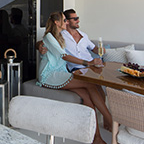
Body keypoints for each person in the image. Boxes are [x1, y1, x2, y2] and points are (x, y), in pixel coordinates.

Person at [38, 11, 111, 144]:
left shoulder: (58, 36)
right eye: (64, 20)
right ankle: (110, 119)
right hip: (49, 75)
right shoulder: (50, 37)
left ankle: (96, 137)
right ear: (57, 22)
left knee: (87, 95)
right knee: (90, 84)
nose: (66, 22)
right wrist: (87, 63)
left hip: (62, 73)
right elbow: (63, 56)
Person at [38, 9, 105, 72]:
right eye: (75, 19)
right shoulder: (60, 35)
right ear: (67, 21)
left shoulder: (84, 35)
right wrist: (39, 46)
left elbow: (94, 49)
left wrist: (101, 50)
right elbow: (45, 42)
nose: (78, 21)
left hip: (92, 66)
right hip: (77, 68)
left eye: (78, 18)